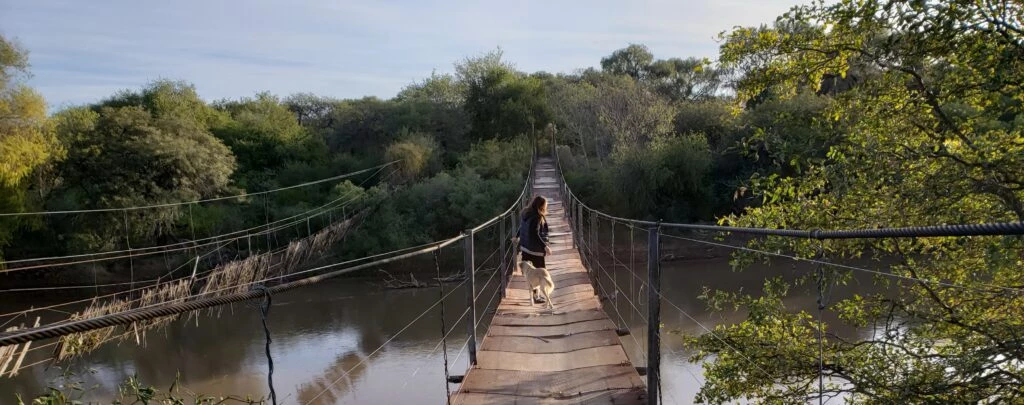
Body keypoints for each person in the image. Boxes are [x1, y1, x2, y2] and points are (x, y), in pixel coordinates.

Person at [518, 195, 551, 269]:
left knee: (528, 274)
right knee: (542, 274)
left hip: (525, 248)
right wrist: (545, 247)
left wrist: (517, 236)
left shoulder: (525, 213)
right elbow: (535, 234)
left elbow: (522, 226)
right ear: (541, 206)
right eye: (545, 205)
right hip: (535, 251)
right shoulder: (537, 217)